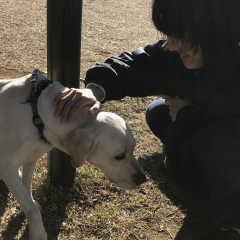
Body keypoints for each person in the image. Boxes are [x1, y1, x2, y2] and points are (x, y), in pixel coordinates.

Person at [53, 0, 240, 232]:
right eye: (168, 34)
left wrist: (187, 119)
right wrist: (96, 89)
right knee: (159, 112)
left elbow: (222, 159)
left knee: (199, 172)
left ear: (216, 28)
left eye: (178, 34)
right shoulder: (196, 51)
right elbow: (138, 64)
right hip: (209, 135)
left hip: (229, 175)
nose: (170, 45)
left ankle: (228, 220)